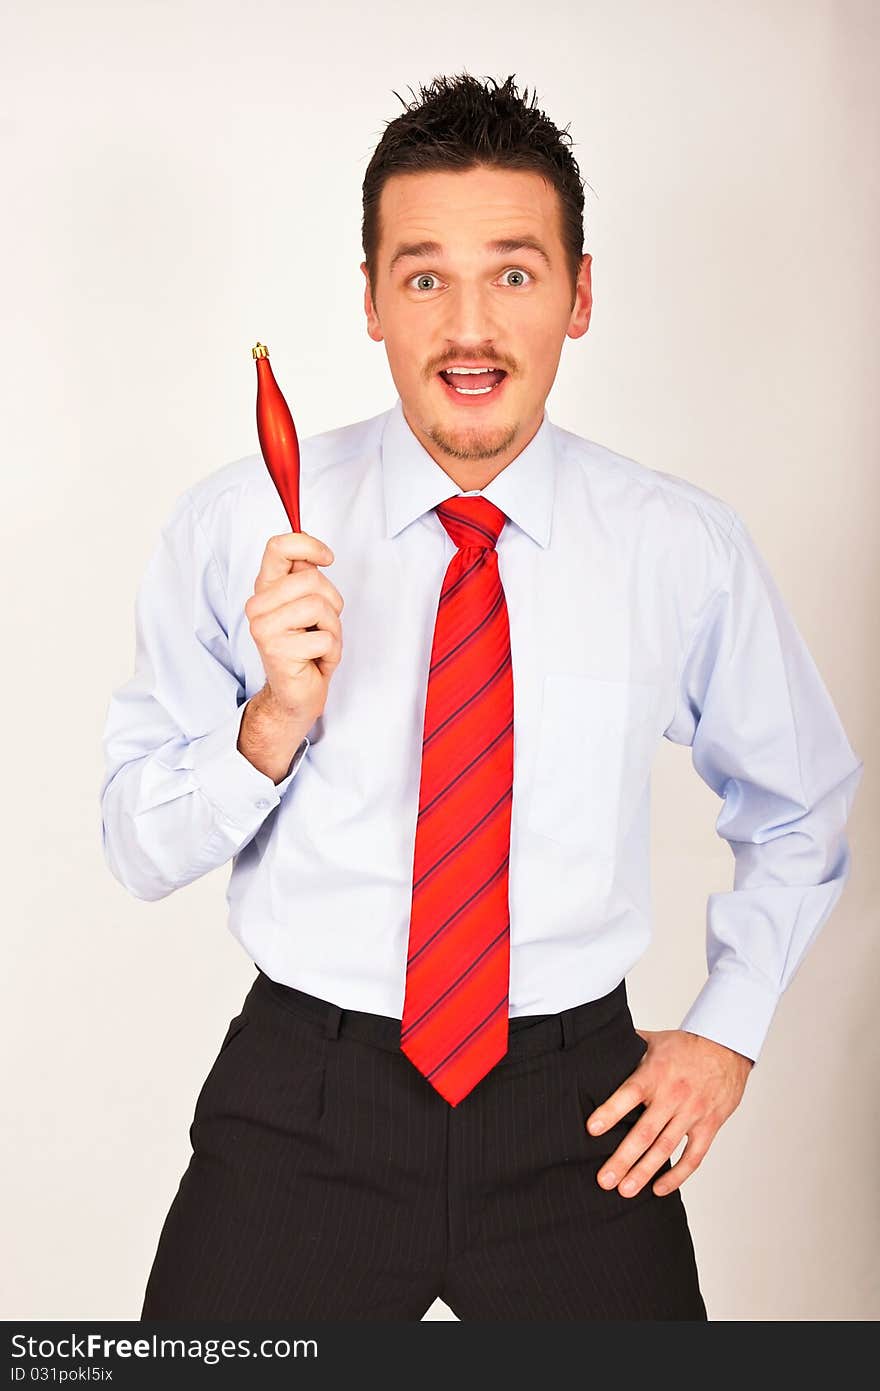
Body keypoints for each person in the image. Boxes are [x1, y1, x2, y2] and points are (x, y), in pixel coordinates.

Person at [100, 72, 863, 1321]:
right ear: (370, 302)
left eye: (512, 273)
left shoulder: (677, 546)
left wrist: (727, 1029)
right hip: (309, 1101)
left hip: (577, 1115)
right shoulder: (241, 522)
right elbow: (136, 844)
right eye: (422, 277)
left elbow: (798, 804)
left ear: (579, 294)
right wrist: (268, 726)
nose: (469, 327)